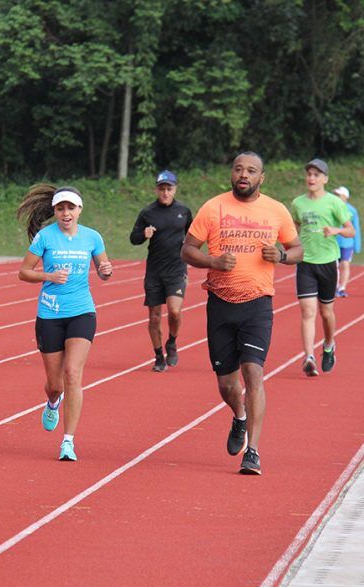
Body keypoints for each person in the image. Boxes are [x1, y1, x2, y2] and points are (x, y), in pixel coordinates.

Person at [181, 151, 302, 475]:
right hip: (220, 304)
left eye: (251, 170)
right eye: (238, 169)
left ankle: (253, 451)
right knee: (227, 385)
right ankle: (240, 416)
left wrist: (281, 254)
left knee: (254, 373)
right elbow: (188, 249)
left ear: (262, 177)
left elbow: (297, 249)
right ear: (231, 174)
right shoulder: (213, 207)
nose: (243, 174)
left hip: (258, 304)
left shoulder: (276, 210)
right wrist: (212, 262)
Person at [17, 184, 113, 461]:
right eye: (60, 208)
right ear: (55, 211)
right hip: (50, 314)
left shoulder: (92, 238)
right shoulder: (45, 238)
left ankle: (68, 441)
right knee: (55, 383)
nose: (66, 213)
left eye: (71, 207)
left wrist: (106, 271)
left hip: (82, 311)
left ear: (79, 210)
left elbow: (103, 270)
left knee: (73, 373)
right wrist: (48, 277)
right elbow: (24, 272)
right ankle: (52, 401)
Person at [291, 159, 355, 377]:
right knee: (307, 311)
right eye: (309, 174)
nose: (311, 178)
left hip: (328, 263)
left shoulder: (334, 203)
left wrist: (336, 231)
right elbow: (296, 226)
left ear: (325, 179)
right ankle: (308, 356)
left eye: (317, 175)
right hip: (306, 264)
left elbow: (351, 231)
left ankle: (328, 346)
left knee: (326, 312)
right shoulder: (298, 203)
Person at [130, 170, 193, 372]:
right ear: (156, 189)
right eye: (162, 188)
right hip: (154, 271)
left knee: (174, 312)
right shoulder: (148, 213)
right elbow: (133, 238)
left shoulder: (184, 211)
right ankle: (158, 356)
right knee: (155, 316)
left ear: (175, 189)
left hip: (176, 269)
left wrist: (190, 248)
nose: (165, 192)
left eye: (169, 188)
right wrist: (143, 234)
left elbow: (194, 235)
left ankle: (172, 343)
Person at [333, 186, 361, 298]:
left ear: (345, 197)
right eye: (335, 195)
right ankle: (334, 287)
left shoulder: (352, 210)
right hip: (333, 242)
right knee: (333, 266)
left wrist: (357, 245)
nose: (336, 197)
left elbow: (356, 228)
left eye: (338, 195)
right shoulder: (331, 208)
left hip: (347, 244)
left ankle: (342, 288)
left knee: (345, 264)